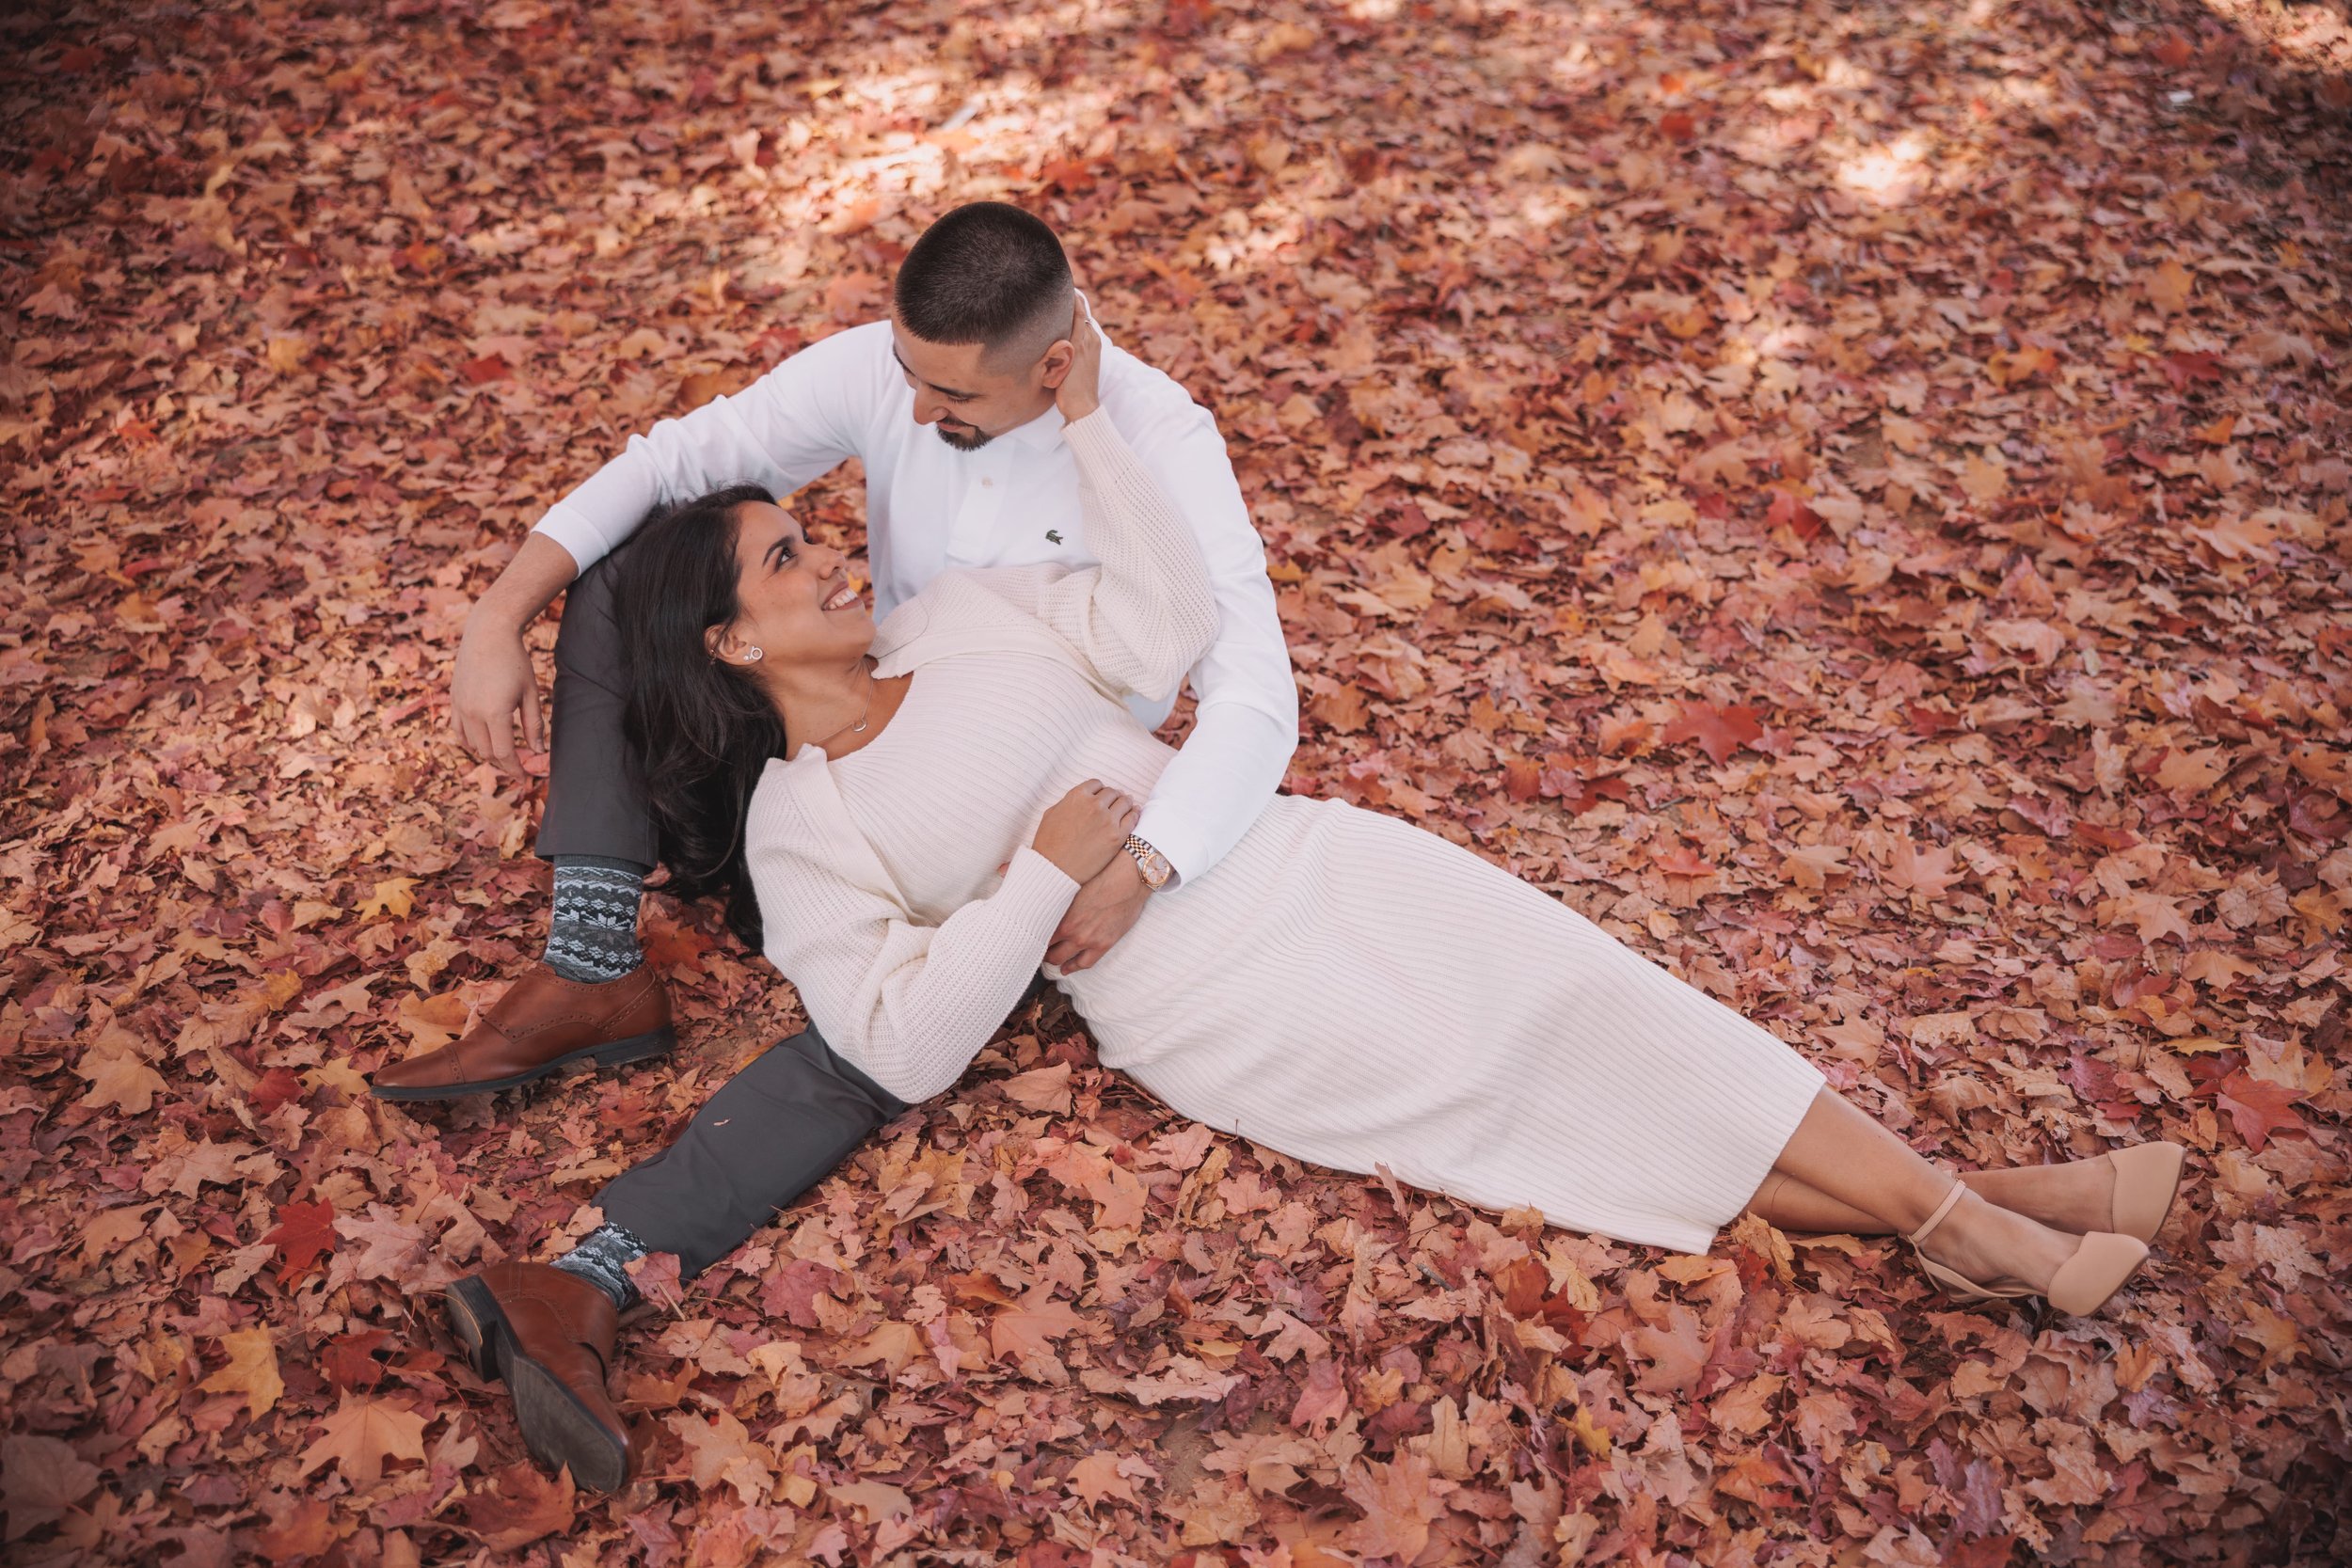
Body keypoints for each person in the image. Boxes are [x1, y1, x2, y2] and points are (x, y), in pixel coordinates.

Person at [433, 306, 2188, 1496]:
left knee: (1611, 1004)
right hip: (1204, 1002)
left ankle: (1969, 1216)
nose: (840, 551)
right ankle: (1976, 1223)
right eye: (791, 560)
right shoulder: (813, 830)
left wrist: (1094, 424)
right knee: (1545, 1104)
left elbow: (1161, 630)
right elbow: (892, 1038)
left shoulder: (962, 611)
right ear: (738, 644)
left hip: (1303, 857)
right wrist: (1039, 887)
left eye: (819, 534)